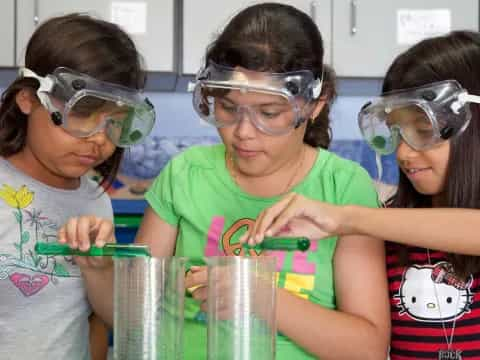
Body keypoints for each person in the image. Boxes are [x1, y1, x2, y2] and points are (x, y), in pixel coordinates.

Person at [58, 3, 390, 359]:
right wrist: (98, 271)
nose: (243, 133)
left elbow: (367, 349)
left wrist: (259, 295)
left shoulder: (343, 187)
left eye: (269, 113)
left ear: (313, 105)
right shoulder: (185, 174)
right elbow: (132, 321)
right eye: (228, 108)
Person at [243, 30, 480, 359]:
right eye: (397, 131)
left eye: (423, 131)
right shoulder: (385, 230)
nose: (403, 154)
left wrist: (346, 218)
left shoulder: (370, 222)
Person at [0, 13, 155, 360]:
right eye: (82, 113)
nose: (98, 139)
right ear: (28, 98)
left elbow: (94, 323)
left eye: (115, 122)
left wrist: (97, 268)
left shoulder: (94, 200)